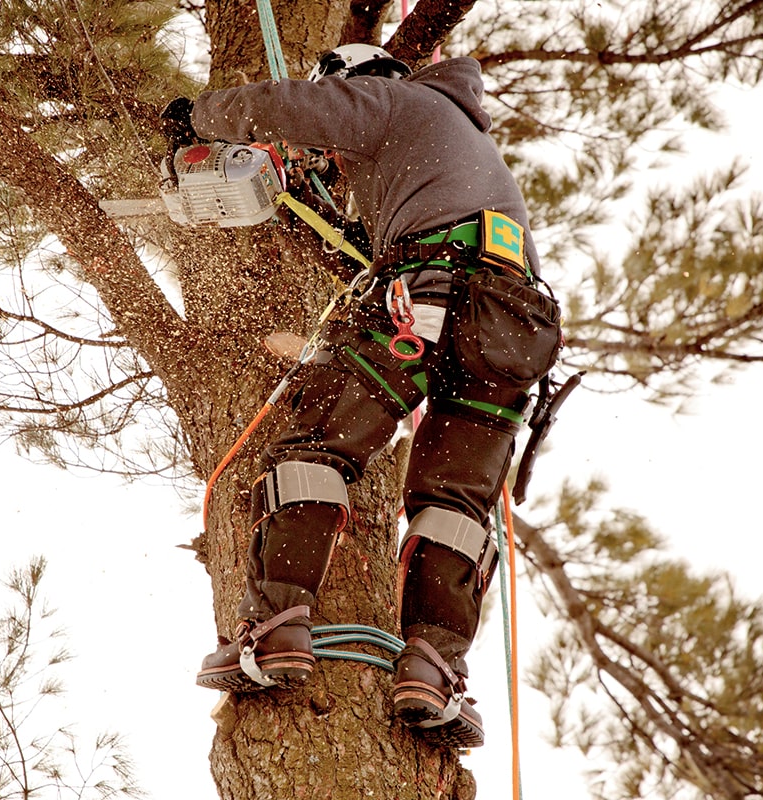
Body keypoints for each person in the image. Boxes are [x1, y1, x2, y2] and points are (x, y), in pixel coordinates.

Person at [162, 43, 561, 749]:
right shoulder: (451, 143)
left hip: (429, 292)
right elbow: (370, 251)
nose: (338, 163)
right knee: (455, 504)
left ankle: (276, 629)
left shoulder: (392, 100)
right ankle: (432, 675)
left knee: (318, 446)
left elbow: (284, 106)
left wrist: (199, 117)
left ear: (354, 84)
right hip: (513, 324)